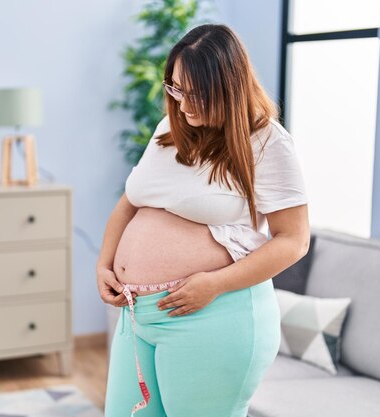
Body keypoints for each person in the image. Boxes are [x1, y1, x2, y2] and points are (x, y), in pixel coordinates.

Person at [97, 23, 310, 417]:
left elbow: (293, 240)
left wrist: (214, 284)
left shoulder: (266, 144)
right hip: (138, 317)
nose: (183, 105)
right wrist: (105, 263)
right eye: (176, 89)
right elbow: (130, 202)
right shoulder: (168, 131)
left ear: (229, 88)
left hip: (213, 316)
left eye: (197, 95)